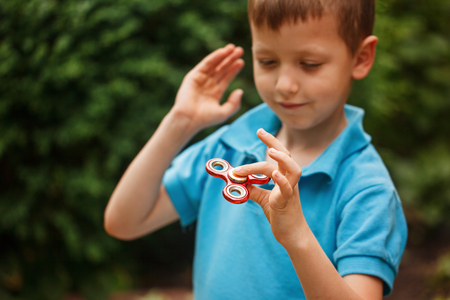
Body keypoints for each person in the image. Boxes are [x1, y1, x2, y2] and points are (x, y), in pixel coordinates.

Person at [104, 0, 407, 299]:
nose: (284, 85)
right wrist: (179, 123)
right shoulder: (228, 148)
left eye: (309, 64)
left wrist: (296, 235)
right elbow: (124, 221)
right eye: (267, 62)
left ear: (361, 57)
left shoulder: (368, 190)